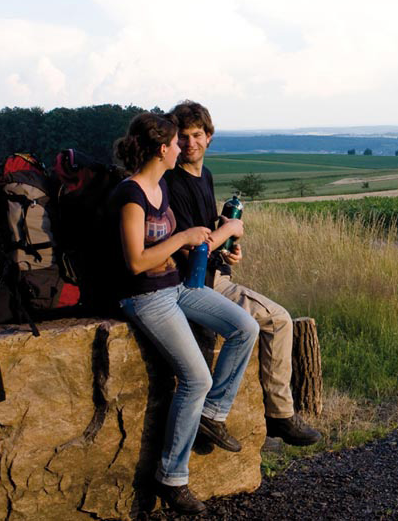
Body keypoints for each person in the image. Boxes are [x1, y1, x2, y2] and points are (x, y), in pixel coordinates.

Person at [110, 112, 259, 514]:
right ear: (163, 148)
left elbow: (176, 248)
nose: (183, 148)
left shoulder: (160, 188)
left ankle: (213, 413)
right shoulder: (132, 194)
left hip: (177, 287)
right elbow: (136, 262)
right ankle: (172, 478)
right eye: (177, 142)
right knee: (196, 378)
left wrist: (208, 246)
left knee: (246, 326)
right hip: (145, 297)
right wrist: (184, 237)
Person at [165, 100, 321, 446]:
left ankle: (225, 420)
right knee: (278, 319)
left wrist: (229, 250)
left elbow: (208, 237)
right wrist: (234, 227)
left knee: (268, 319)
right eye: (183, 137)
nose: (190, 143)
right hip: (196, 282)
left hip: (212, 273)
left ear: (209, 137)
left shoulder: (203, 176)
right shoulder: (172, 183)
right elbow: (190, 247)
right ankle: (279, 415)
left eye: (196, 135)